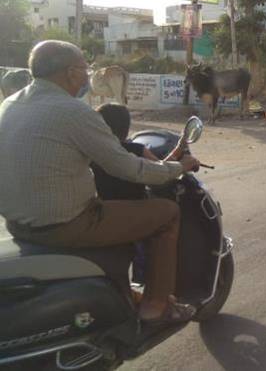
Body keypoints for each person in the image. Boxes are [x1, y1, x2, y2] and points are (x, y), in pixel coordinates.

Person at [0, 40, 199, 326]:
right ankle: (157, 306)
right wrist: (177, 167)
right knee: (167, 213)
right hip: (65, 224)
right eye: (85, 69)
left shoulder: (11, 103)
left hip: (17, 223)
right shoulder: (73, 111)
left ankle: (120, 288)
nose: (87, 76)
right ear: (71, 73)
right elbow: (128, 168)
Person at [91, 103, 169, 284]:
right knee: (166, 218)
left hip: (102, 212)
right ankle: (146, 285)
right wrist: (182, 157)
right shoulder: (136, 150)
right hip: (133, 212)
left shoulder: (92, 150)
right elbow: (161, 170)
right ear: (125, 127)